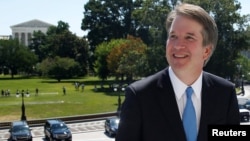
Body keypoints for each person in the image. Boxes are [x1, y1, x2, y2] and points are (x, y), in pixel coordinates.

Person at [115, 3, 240, 141]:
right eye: (173, 36)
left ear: (206, 51)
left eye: (189, 37)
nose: (177, 45)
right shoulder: (139, 96)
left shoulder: (225, 94)